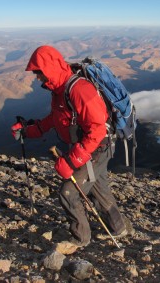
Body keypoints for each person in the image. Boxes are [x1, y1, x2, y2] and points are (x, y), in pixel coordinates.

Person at [11, 45, 128, 247]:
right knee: (98, 189)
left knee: (69, 192)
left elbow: (98, 129)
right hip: (89, 147)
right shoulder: (60, 89)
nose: (37, 78)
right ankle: (120, 228)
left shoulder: (79, 89)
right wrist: (29, 130)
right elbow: (56, 119)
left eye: (38, 73)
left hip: (98, 148)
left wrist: (73, 160)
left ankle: (79, 238)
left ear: (49, 68)